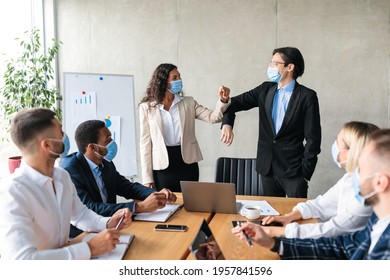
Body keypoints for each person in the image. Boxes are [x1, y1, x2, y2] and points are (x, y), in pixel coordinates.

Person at [232, 128, 390, 260]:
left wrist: (276, 232)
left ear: (380, 183)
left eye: (360, 169)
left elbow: (334, 232)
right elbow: (344, 247)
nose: (353, 175)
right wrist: (275, 244)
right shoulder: (377, 220)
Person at [0, 108, 132, 260]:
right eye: (61, 131)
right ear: (47, 145)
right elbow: (23, 260)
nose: (65, 136)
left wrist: (107, 222)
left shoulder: (61, 176)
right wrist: (90, 249)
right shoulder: (12, 192)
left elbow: (81, 214)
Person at [220, 47, 321, 198]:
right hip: (266, 168)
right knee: (270, 217)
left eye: (275, 63)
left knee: (296, 217)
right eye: (270, 62)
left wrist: (305, 173)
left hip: (294, 171)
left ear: (290, 67)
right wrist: (227, 124)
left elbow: (313, 138)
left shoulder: (307, 96)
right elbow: (231, 104)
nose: (270, 67)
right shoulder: (264, 90)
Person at [261, 121, 378, 238]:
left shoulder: (369, 194)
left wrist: (275, 231)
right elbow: (319, 205)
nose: (335, 147)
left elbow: (333, 229)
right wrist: (288, 217)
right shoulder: (348, 179)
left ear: (351, 152)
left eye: (338, 143)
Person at [61, 120, 177, 237]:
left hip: (112, 225)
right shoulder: (70, 170)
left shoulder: (106, 162)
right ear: (92, 148)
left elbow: (128, 187)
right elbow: (90, 208)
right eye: (108, 138)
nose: (112, 142)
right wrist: (138, 207)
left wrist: (156, 194)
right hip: (83, 233)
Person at [139, 63, 230, 192]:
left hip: (187, 163)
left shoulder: (188, 103)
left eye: (179, 77)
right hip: (162, 166)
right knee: (165, 205)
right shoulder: (147, 108)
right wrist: (147, 178)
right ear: (163, 81)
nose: (179, 81)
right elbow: (145, 144)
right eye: (174, 78)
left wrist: (223, 101)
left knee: (190, 203)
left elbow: (213, 117)